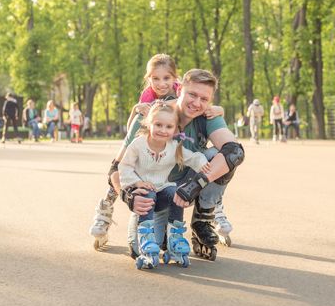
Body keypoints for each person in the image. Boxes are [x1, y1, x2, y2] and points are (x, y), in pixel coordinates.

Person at [89, 54, 226, 250]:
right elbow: (123, 153)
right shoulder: (147, 102)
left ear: (176, 80)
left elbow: (201, 97)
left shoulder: (189, 96)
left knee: (215, 160)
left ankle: (209, 215)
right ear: (148, 78)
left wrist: (218, 109)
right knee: (125, 168)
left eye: (166, 78)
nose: (161, 84)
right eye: (155, 78)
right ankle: (106, 208)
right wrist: (128, 195)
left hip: (177, 174)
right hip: (148, 175)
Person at [120, 69, 245, 261]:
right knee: (140, 249)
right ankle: (161, 228)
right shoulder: (152, 115)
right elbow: (117, 167)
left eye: (204, 99)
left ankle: (203, 218)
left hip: (187, 189)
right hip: (152, 194)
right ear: (180, 90)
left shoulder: (208, 117)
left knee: (218, 155)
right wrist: (128, 195)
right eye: (192, 95)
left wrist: (194, 187)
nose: (197, 103)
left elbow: (235, 151)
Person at [119, 103, 210, 269]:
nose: (163, 130)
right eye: (158, 125)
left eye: (168, 126)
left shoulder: (174, 147)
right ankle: (146, 238)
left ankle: (175, 238)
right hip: (144, 193)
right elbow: (124, 167)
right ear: (149, 123)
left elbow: (193, 158)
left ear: (175, 129)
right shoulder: (138, 144)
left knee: (176, 192)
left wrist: (203, 163)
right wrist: (136, 183)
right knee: (148, 193)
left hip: (163, 190)